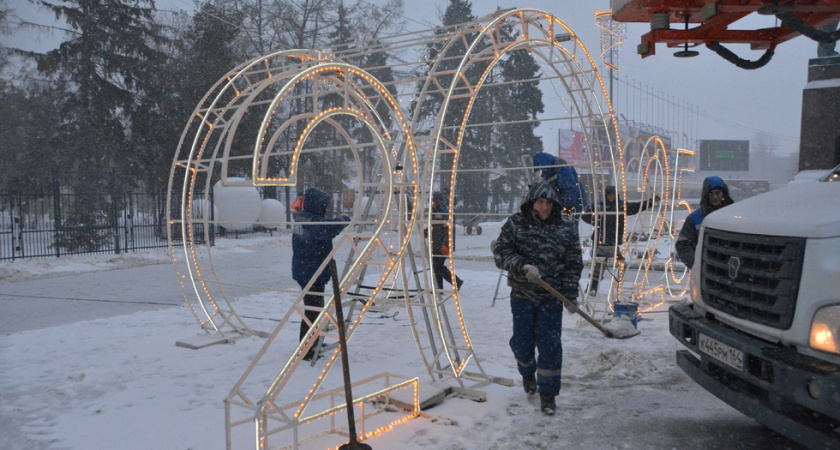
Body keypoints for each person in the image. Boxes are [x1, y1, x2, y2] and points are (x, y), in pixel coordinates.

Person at [491, 181, 583, 416]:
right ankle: (527, 373)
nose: (545, 207)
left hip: (551, 298)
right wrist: (521, 265)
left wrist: (570, 295)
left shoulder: (566, 227)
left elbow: (573, 263)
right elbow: (500, 252)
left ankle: (548, 395)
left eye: (549, 203)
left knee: (550, 346)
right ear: (531, 203)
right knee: (522, 343)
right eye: (540, 202)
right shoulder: (516, 223)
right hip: (522, 295)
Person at [292, 187, 350, 361]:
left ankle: (313, 341)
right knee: (312, 311)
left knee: (315, 309)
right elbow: (326, 230)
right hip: (310, 272)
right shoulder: (308, 220)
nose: (325, 207)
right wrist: (342, 220)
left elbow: (323, 227)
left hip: (310, 271)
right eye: (323, 204)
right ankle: (306, 349)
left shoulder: (305, 217)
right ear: (315, 204)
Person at [581, 185, 657, 296]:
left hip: (614, 240)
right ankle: (592, 287)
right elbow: (585, 215)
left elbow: (637, 207)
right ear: (606, 196)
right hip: (600, 240)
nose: (611, 197)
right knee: (598, 266)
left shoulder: (621, 206)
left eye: (613, 195)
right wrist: (597, 223)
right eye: (609, 195)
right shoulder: (599, 206)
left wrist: (650, 202)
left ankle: (616, 289)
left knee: (619, 264)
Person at [675, 176, 735, 269]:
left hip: (730, 271)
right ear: (706, 195)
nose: (715, 197)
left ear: (724, 194)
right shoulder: (694, 219)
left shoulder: (734, 216)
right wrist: (697, 264)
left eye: (718, 193)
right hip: (705, 272)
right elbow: (683, 245)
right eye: (711, 194)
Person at [532, 151, 587, 223]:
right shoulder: (548, 171)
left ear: (546, 163)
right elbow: (545, 185)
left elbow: (571, 189)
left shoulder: (562, 169)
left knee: (570, 225)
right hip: (562, 203)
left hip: (574, 203)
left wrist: (569, 205)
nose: (542, 170)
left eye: (542, 167)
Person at [430, 191, 463, 290]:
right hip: (435, 245)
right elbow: (435, 227)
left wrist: (445, 245)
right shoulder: (435, 213)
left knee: (438, 266)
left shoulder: (446, 213)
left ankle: (456, 282)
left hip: (443, 246)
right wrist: (427, 231)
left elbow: (448, 231)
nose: (433, 204)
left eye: (434, 202)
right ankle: (439, 288)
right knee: (436, 267)